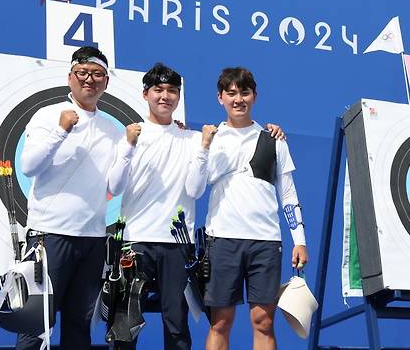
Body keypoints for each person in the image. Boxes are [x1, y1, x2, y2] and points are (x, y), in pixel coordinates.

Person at [107, 63, 284, 350]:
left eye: (172, 91)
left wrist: (204, 146)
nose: (165, 96)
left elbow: (195, 189)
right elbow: (113, 187)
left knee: (177, 326)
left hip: (178, 244)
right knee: (125, 327)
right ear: (145, 94)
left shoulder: (193, 139)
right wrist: (128, 146)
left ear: (179, 96)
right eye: (158, 90)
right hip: (134, 241)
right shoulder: (131, 134)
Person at [17, 46, 140, 350]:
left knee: (79, 325)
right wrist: (60, 131)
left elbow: (115, 185)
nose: (90, 80)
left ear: (106, 82)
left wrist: (126, 148)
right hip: (49, 235)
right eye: (82, 73)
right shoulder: (48, 115)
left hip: (92, 239)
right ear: (70, 77)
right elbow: (29, 166)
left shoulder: (111, 130)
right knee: (36, 324)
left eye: (97, 74)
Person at [198, 67, 308, 350]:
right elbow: (194, 186)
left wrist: (300, 242)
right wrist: (202, 145)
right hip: (222, 240)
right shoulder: (210, 140)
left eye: (244, 92)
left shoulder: (274, 140)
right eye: (231, 93)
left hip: (266, 243)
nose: (238, 99)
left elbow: (288, 194)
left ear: (254, 96)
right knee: (220, 322)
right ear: (220, 97)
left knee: (264, 322)